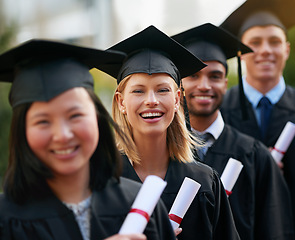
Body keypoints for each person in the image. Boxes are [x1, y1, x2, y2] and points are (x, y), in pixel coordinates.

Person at [0, 39, 176, 240]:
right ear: (22, 131)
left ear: (97, 118)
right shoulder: (6, 220)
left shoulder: (139, 204)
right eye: (43, 122)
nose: (63, 135)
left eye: (75, 116)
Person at [98, 25, 240, 240]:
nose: (152, 101)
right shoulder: (101, 182)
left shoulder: (205, 182)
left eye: (162, 90)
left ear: (176, 99)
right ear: (121, 102)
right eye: (138, 91)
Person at [172, 22, 294, 239]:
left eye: (215, 76)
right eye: (193, 76)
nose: (204, 85)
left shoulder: (255, 156)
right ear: (178, 86)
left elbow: (276, 230)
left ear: (226, 84)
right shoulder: (160, 153)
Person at [219, 0, 295, 231]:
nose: (265, 50)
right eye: (255, 43)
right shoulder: (218, 111)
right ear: (241, 53)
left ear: (287, 49)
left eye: (274, 42)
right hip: (237, 228)